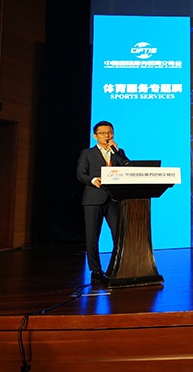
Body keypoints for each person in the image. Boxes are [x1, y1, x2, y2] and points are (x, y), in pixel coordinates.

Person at [76, 120, 130, 282]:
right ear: (95, 136)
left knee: (118, 235)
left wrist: (117, 151)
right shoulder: (87, 153)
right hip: (93, 199)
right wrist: (93, 180)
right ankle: (96, 271)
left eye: (110, 132)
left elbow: (128, 168)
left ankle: (117, 267)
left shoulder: (118, 152)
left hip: (114, 198)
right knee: (92, 236)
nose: (107, 136)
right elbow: (80, 174)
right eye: (103, 133)